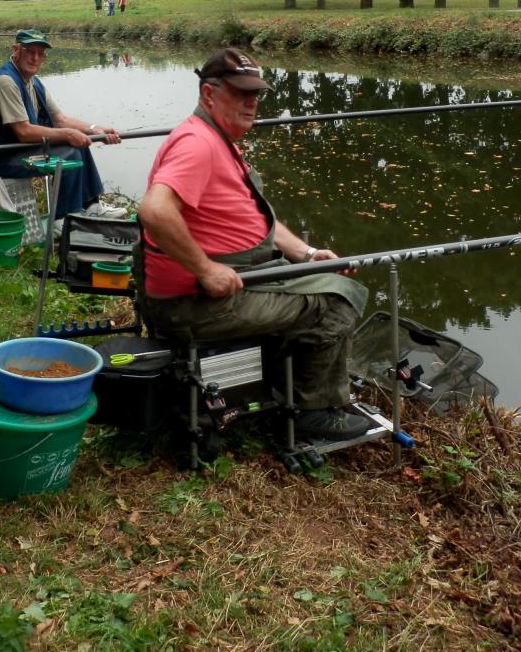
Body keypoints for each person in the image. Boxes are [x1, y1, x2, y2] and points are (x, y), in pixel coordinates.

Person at [136, 48, 372, 441]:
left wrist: (307, 255)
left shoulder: (217, 138)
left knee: (321, 277)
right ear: (209, 95)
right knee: (336, 302)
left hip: (234, 277)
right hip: (192, 303)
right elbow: (155, 211)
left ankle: (283, 380)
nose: (252, 103)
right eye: (241, 93)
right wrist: (206, 270)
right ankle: (312, 410)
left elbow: (255, 216)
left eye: (257, 94)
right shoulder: (199, 144)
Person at [0, 29, 125, 222]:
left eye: (40, 53)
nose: (35, 58)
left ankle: (91, 206)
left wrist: (95, 130)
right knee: (69, 154)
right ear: (15, 50)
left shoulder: (34, 83)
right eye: (30, 51)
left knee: (79, 147)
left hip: (18, 151)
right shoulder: (5, 82)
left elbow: (60, 119)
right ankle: (63, 220)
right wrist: (67, 135)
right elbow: (24, 132)